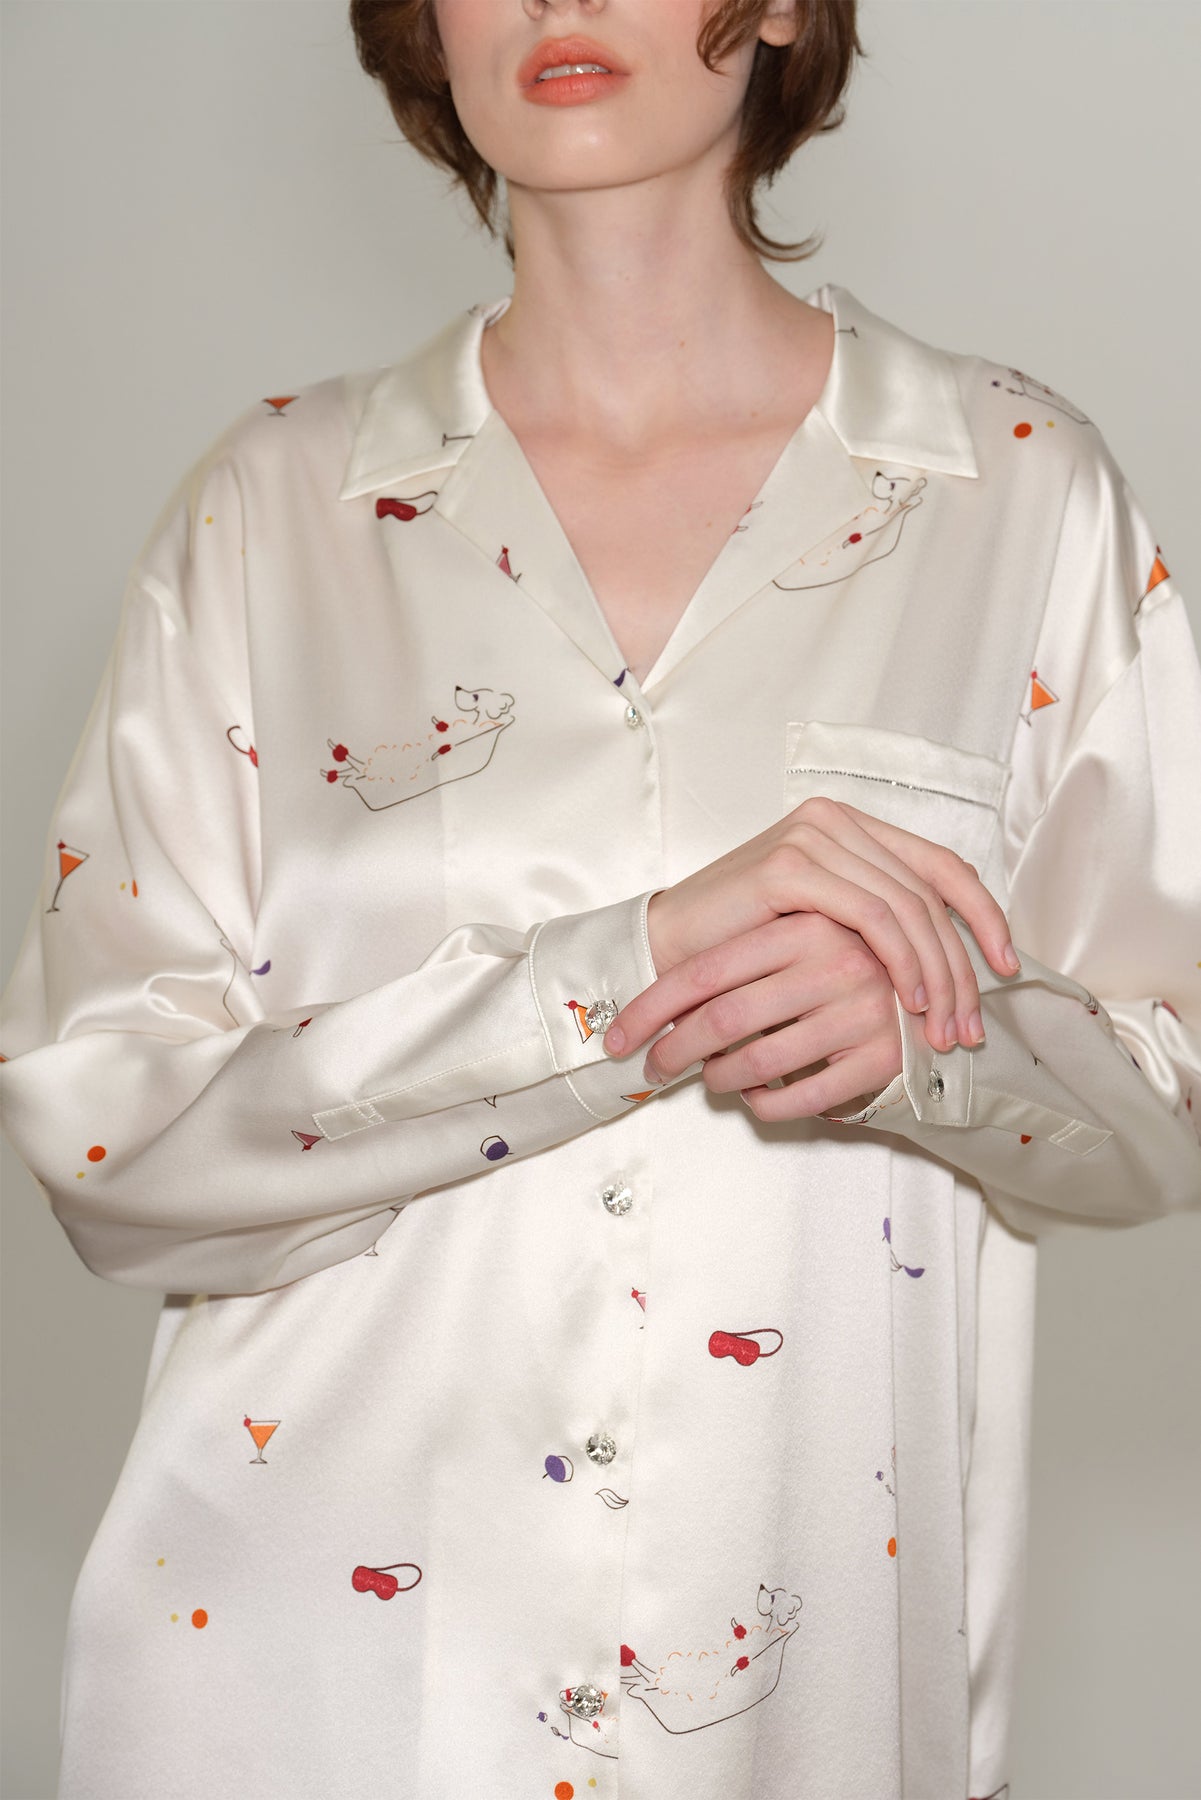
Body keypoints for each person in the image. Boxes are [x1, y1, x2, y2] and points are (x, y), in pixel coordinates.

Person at [2, 1, 1198, 1795]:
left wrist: (930, 1039)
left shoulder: (1017, 497)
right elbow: (106, 1142)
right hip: (309, 1691)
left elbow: (1164, 1095)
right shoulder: (271, 513)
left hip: (788, 1711)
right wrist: (618, 979)